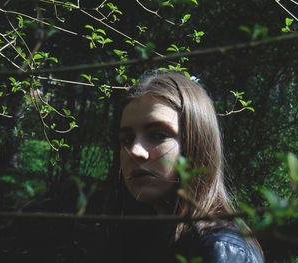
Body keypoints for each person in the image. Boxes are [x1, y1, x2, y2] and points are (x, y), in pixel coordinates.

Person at [111, 71, 264, 263]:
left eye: (158, 135)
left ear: (197, 143)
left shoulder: (221, 249)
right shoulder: (140, 239)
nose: (135, 151)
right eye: (126, 139)